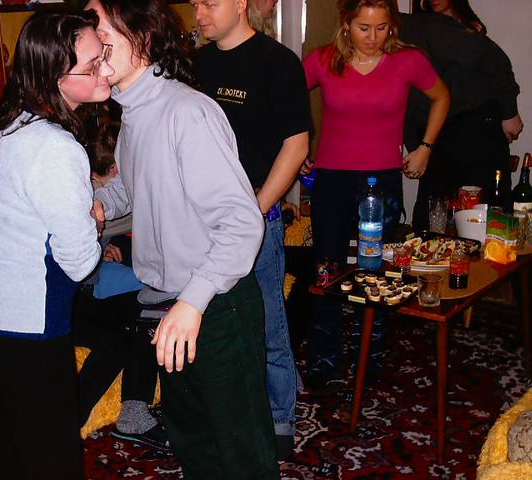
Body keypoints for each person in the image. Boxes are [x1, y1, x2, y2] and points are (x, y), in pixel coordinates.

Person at [85, 0, 279, 477]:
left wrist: (192, 302)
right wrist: (101, 202)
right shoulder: (133, 112)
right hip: (166, 306)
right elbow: (135, 183)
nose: (89, 44)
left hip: (215, 306)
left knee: (240, 454)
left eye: (101, 33)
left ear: (143, 36)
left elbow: (243, 222)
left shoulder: (186, 112)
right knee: (194, 446)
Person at [0, 12, 111, 480]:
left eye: (104, 55)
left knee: (4, 442)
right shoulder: (55, 146)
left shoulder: (11, 124)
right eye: (93, 65)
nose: (105, 69)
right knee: (51, 455)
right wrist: (94, 222)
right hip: (26, 322)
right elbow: (80, 263)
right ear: (55, 76)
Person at [302, 0, 449, 387]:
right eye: (363, 28)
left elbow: (442, 97)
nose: (373, 37)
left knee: (377, 272)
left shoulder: (408, 60)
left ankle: (371, 356)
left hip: (381, 182)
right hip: (332, 178)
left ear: (392, 26)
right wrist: (297, 148)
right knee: (327, 269)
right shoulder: (322, 60)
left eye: (381, 28)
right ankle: (324, 360)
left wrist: (425, 147)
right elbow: (285, 99)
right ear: (346, 24)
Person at [193, 0, 310, 460]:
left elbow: (296, 145)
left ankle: (280, 416)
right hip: (201, 219)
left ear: (240, 3)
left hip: (257, 216)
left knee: (267, 322)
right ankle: (221, 413)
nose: (199, 12)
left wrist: (254, 212)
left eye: (209, 2)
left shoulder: (277, 62)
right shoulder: (194, 65)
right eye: (196, 3)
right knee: (211, 323)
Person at [74, 121, 168, 450]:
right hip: (69, 298)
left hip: (87, 290)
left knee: (151, 308)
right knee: (128, 328)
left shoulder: (112, 194)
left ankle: (134, 412)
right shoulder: (82, 195)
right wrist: (97, 253)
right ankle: (71, 421)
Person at [402, 0, 524, 230]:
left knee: (486, 219)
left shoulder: (454, 27)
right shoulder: (414, 26)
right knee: (433, 221)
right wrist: (416, 145)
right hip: (439, 133)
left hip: (475, 126)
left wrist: (509, 111)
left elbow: (495, 62)